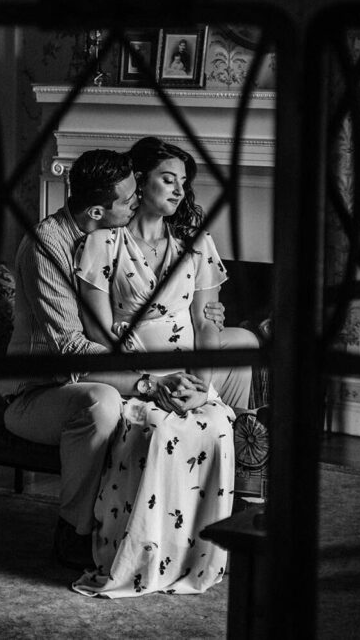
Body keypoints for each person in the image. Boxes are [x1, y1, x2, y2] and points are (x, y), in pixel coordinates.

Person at [0, 148, 230, 570]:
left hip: (98, 372)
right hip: (38, 391)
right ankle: (73, 531)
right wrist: (150, 379)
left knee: (232, 357)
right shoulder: (47, 248)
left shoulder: (112, 236)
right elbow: (73, 351)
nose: (135, 201)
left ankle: (203, 528)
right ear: (96, 210)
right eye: (128, 200)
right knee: (101, 402)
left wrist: (205, 322)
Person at [70, 136, 255, 597]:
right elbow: (96, 332)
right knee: (159, 430)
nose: (177, 191)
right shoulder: (102, 243)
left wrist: (202, 384)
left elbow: (206, 323)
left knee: (213, 423)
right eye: (167, 180)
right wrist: (152, 382)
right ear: (140, 181)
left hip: (190, 374)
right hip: (137, 374)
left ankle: (199, 555)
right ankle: (143, 556)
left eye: (183, 183)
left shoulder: (197, 244)